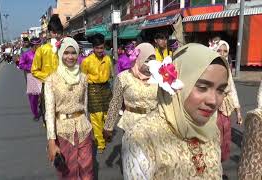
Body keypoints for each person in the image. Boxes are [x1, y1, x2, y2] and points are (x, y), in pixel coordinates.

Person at [122, 43, 230, 179]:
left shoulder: (212, 130)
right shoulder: (141, 138)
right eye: (202, 87)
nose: (213, 101)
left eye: (220, 90)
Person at [45, 37, 94, 179]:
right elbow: (49, 112)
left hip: (83, 128)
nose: (70, 57)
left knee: (87, 168)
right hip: (63, 130)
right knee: (68, 171)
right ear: (60, 54)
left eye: (73, 53)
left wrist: (89, 124)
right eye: (66, 53)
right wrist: (51, 141)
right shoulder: (51, 79)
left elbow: (85, 105)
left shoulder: (83, 78)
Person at [103, 43, 158, 140]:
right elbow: (116, 102)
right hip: (131, 123)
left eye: (153, 60)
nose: (150, 64)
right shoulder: (124, 77)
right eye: (147, 60)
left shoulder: (158, 78)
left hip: (154, 124)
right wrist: (108, 126)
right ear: (138, 59)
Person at [209, 40, 242, 167]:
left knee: (225, 133)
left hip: (225, 107)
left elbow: (232, 88)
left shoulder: (227, 66)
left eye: (225, 51)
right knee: (215, 135)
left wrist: (238, 112)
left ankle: (219, 164)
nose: (222, 53)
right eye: (219, 50)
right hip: (213, 107)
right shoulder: (210, 66)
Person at [81, 33, 113, 153]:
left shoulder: (108, 59)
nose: (100, 50)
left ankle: (106, 133)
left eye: (102, 48)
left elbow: (111, 75)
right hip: (93, 90)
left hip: (106, 88)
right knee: (96, 117)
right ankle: (100, 142)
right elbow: (83, 79)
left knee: (107, 115)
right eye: (97, 48)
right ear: (93, 48)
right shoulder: (86, 61)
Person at [31, 14, 62, 126]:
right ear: (49, 32)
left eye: (59, 32)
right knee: (49, 115)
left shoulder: (65, 48)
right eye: (54, 32)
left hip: (64, 86)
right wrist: (48, 78)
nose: (57, 35)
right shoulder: (42, 50)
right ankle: (51, 140)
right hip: (48, 86)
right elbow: (34, 70)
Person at [18, 37, 42, 121]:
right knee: (33, 98)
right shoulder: (26, 54)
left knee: (45, 96)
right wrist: (30, 67)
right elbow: (21, 65)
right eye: (37, 46)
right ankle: (35, 113)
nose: (39, 47)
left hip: (43, 76)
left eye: (40, 45)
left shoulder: (43, 53)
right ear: (33, 46)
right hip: (32, 77)